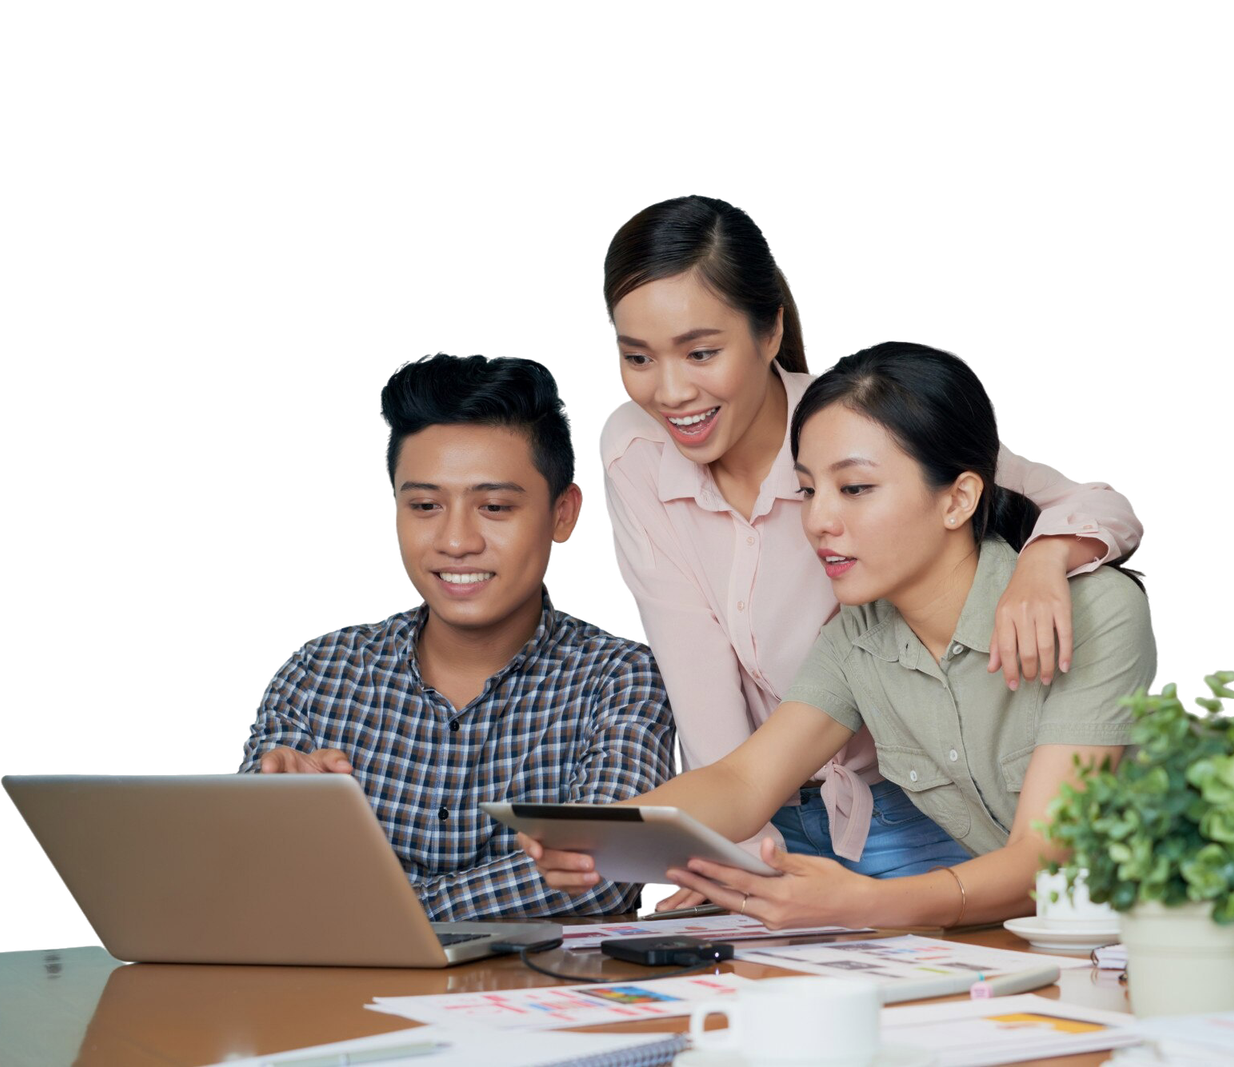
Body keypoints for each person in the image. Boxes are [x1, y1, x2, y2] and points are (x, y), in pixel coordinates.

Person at [599, 196, 1146, 901]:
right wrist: (615, 835)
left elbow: (1075, 497)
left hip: (922, 822)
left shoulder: (871, 420)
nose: (670, 389)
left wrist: (1048, 558)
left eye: (701, 351)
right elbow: (731, 758)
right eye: (636, 356)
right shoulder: (855, 637)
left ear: (769, 332)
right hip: (783, 819)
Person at [527, 342, 1158, 928]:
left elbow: (1048, 856)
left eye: (855, 488)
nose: (820, 520)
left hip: (1168, 942)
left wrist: (866, 903)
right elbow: (745, 781)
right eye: (807, 490)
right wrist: (602, 832)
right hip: (1041, 946)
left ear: (959, 499)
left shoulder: (1095, 611)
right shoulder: (856, 638)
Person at [239, 353, 677, 919]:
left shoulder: (620, 680)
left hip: (545, 1000)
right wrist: (271, 818)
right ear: (396, 515)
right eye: (425, 505)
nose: (455, 541)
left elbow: (603, 872)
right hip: (334, 999)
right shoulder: (318, 673)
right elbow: (251, 869)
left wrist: (389, 914)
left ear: (564, 515)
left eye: (494, 506)